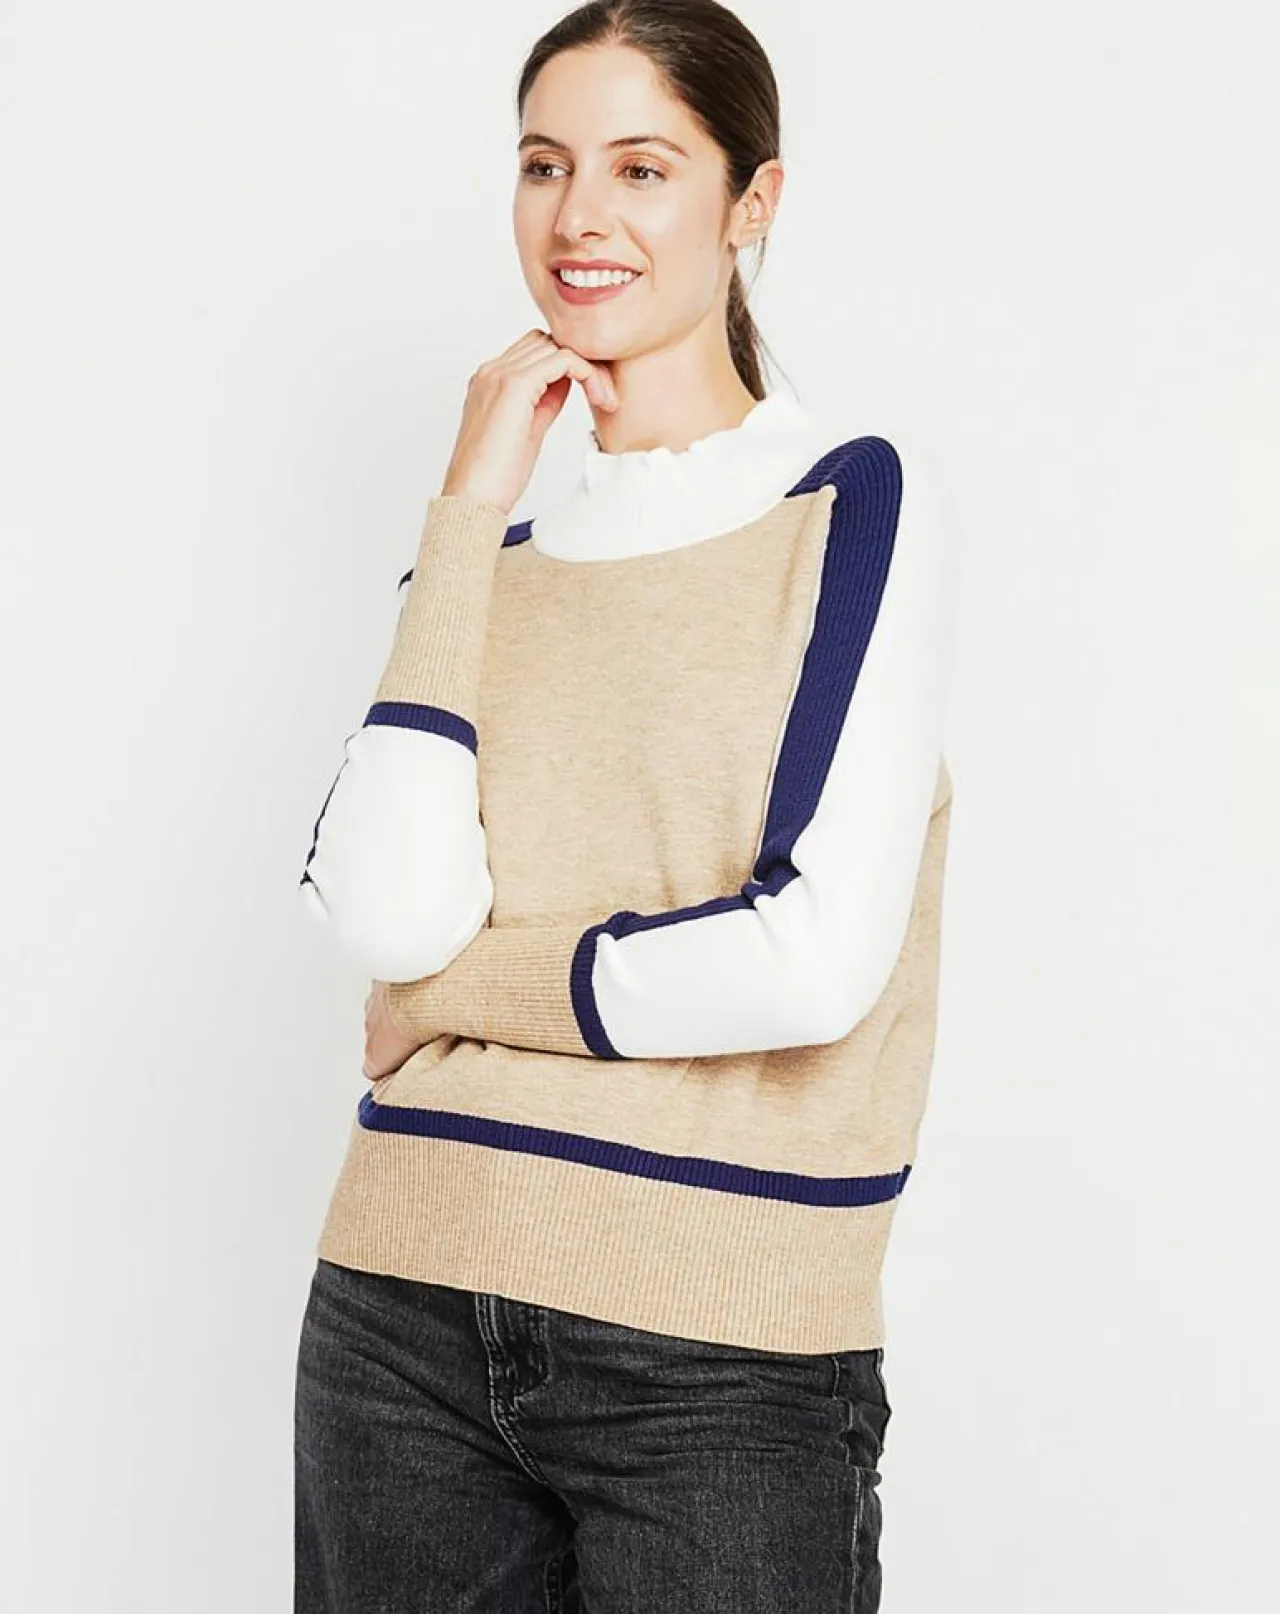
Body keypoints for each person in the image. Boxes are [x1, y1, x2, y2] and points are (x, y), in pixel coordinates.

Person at [292, 2, 957, 1609]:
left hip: (714, 1348)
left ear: (751, 204)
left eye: (642, 168)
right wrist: (466, 507)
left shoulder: (847, 500)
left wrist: (451, 999)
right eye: (545, 165)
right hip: (398, 1308)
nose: (580, 215)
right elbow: (385, 914)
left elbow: (809, 961)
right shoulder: (490, 563)